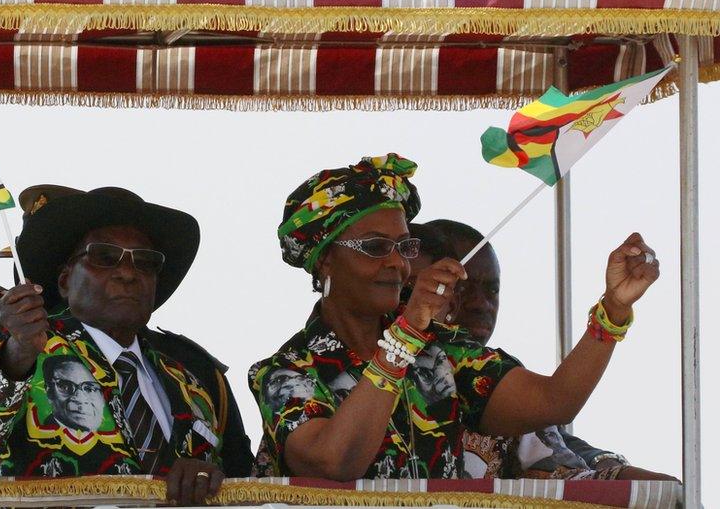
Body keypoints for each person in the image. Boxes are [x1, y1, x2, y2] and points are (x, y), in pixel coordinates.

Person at [249, 153, 661, 480]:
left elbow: (554, 401)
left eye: (404, 246)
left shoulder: (443, 352)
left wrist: (613, 310)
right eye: (376, 246)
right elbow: (333, 462)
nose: (397, 263)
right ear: (325, 263)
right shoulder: (285, 373)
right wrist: (405, 336)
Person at [0, 186, 253, 505]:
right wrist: (18, 354)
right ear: (64, 280)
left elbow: (237, 485)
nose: (128, 273)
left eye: (145, 261)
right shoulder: (16, 349)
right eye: (104, 257)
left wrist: (211, 479)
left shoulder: (189, 383)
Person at [422, 219, 676, 481]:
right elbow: (554, 403)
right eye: (461, 287)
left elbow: (566, 472)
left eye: (492, 290)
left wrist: (615, 309)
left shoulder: (489, 379)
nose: (480, 304)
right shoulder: (400, 362)